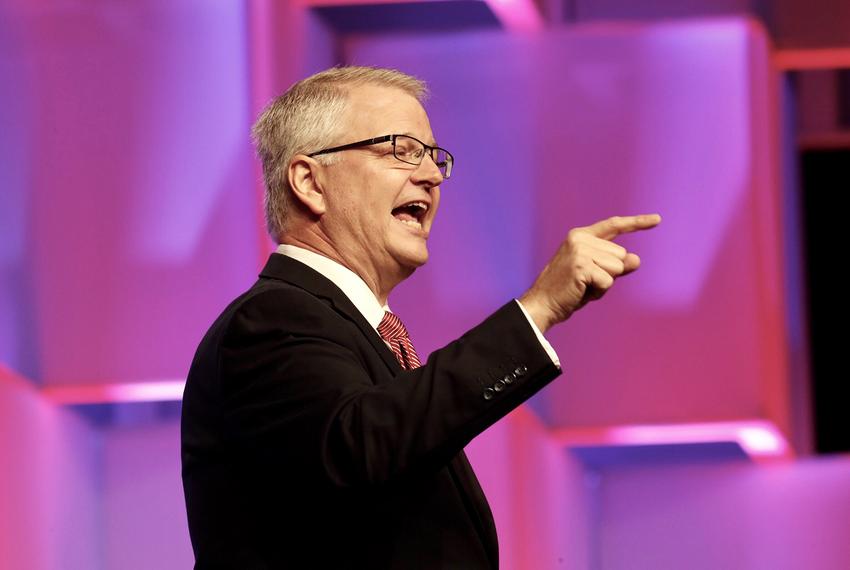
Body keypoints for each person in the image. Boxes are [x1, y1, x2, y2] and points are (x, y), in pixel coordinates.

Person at [181, 65, 661, 569]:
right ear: (310, 181)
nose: (432, 175)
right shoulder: (271, 320)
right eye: (401, 150)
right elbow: (361, 444)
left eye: (433, 157)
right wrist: (536, 309)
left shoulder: (357, 332)